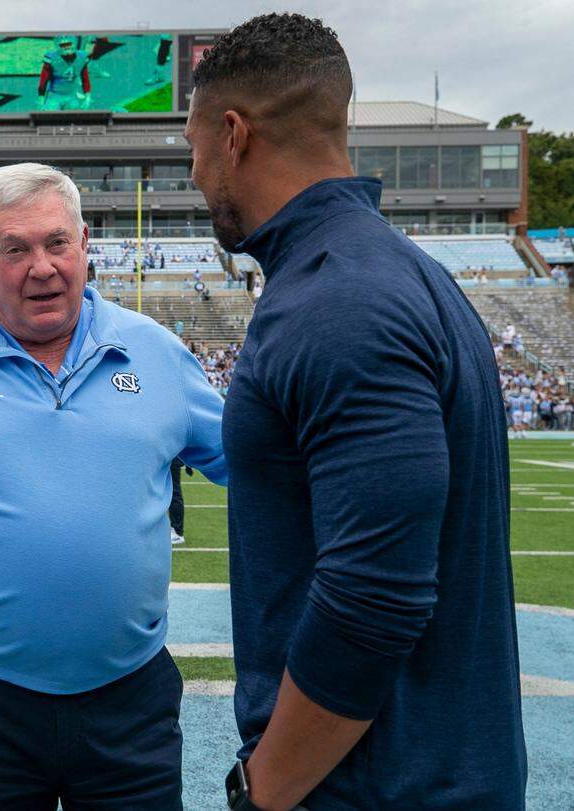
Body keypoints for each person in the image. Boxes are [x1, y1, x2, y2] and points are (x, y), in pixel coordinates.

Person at [185, 14, 526, 810]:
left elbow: (374, 597)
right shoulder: (398, 273)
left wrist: (264, 788)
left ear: (233, 135)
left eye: (194, 147)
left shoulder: (337, 301)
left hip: (381, 785)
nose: (196, 173)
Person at [0, 163, 227, 809]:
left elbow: (253, 461)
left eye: (57, 242)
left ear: (85, 243)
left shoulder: (156, 352)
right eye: (15, 249)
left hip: (130, 697)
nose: (42, 266)